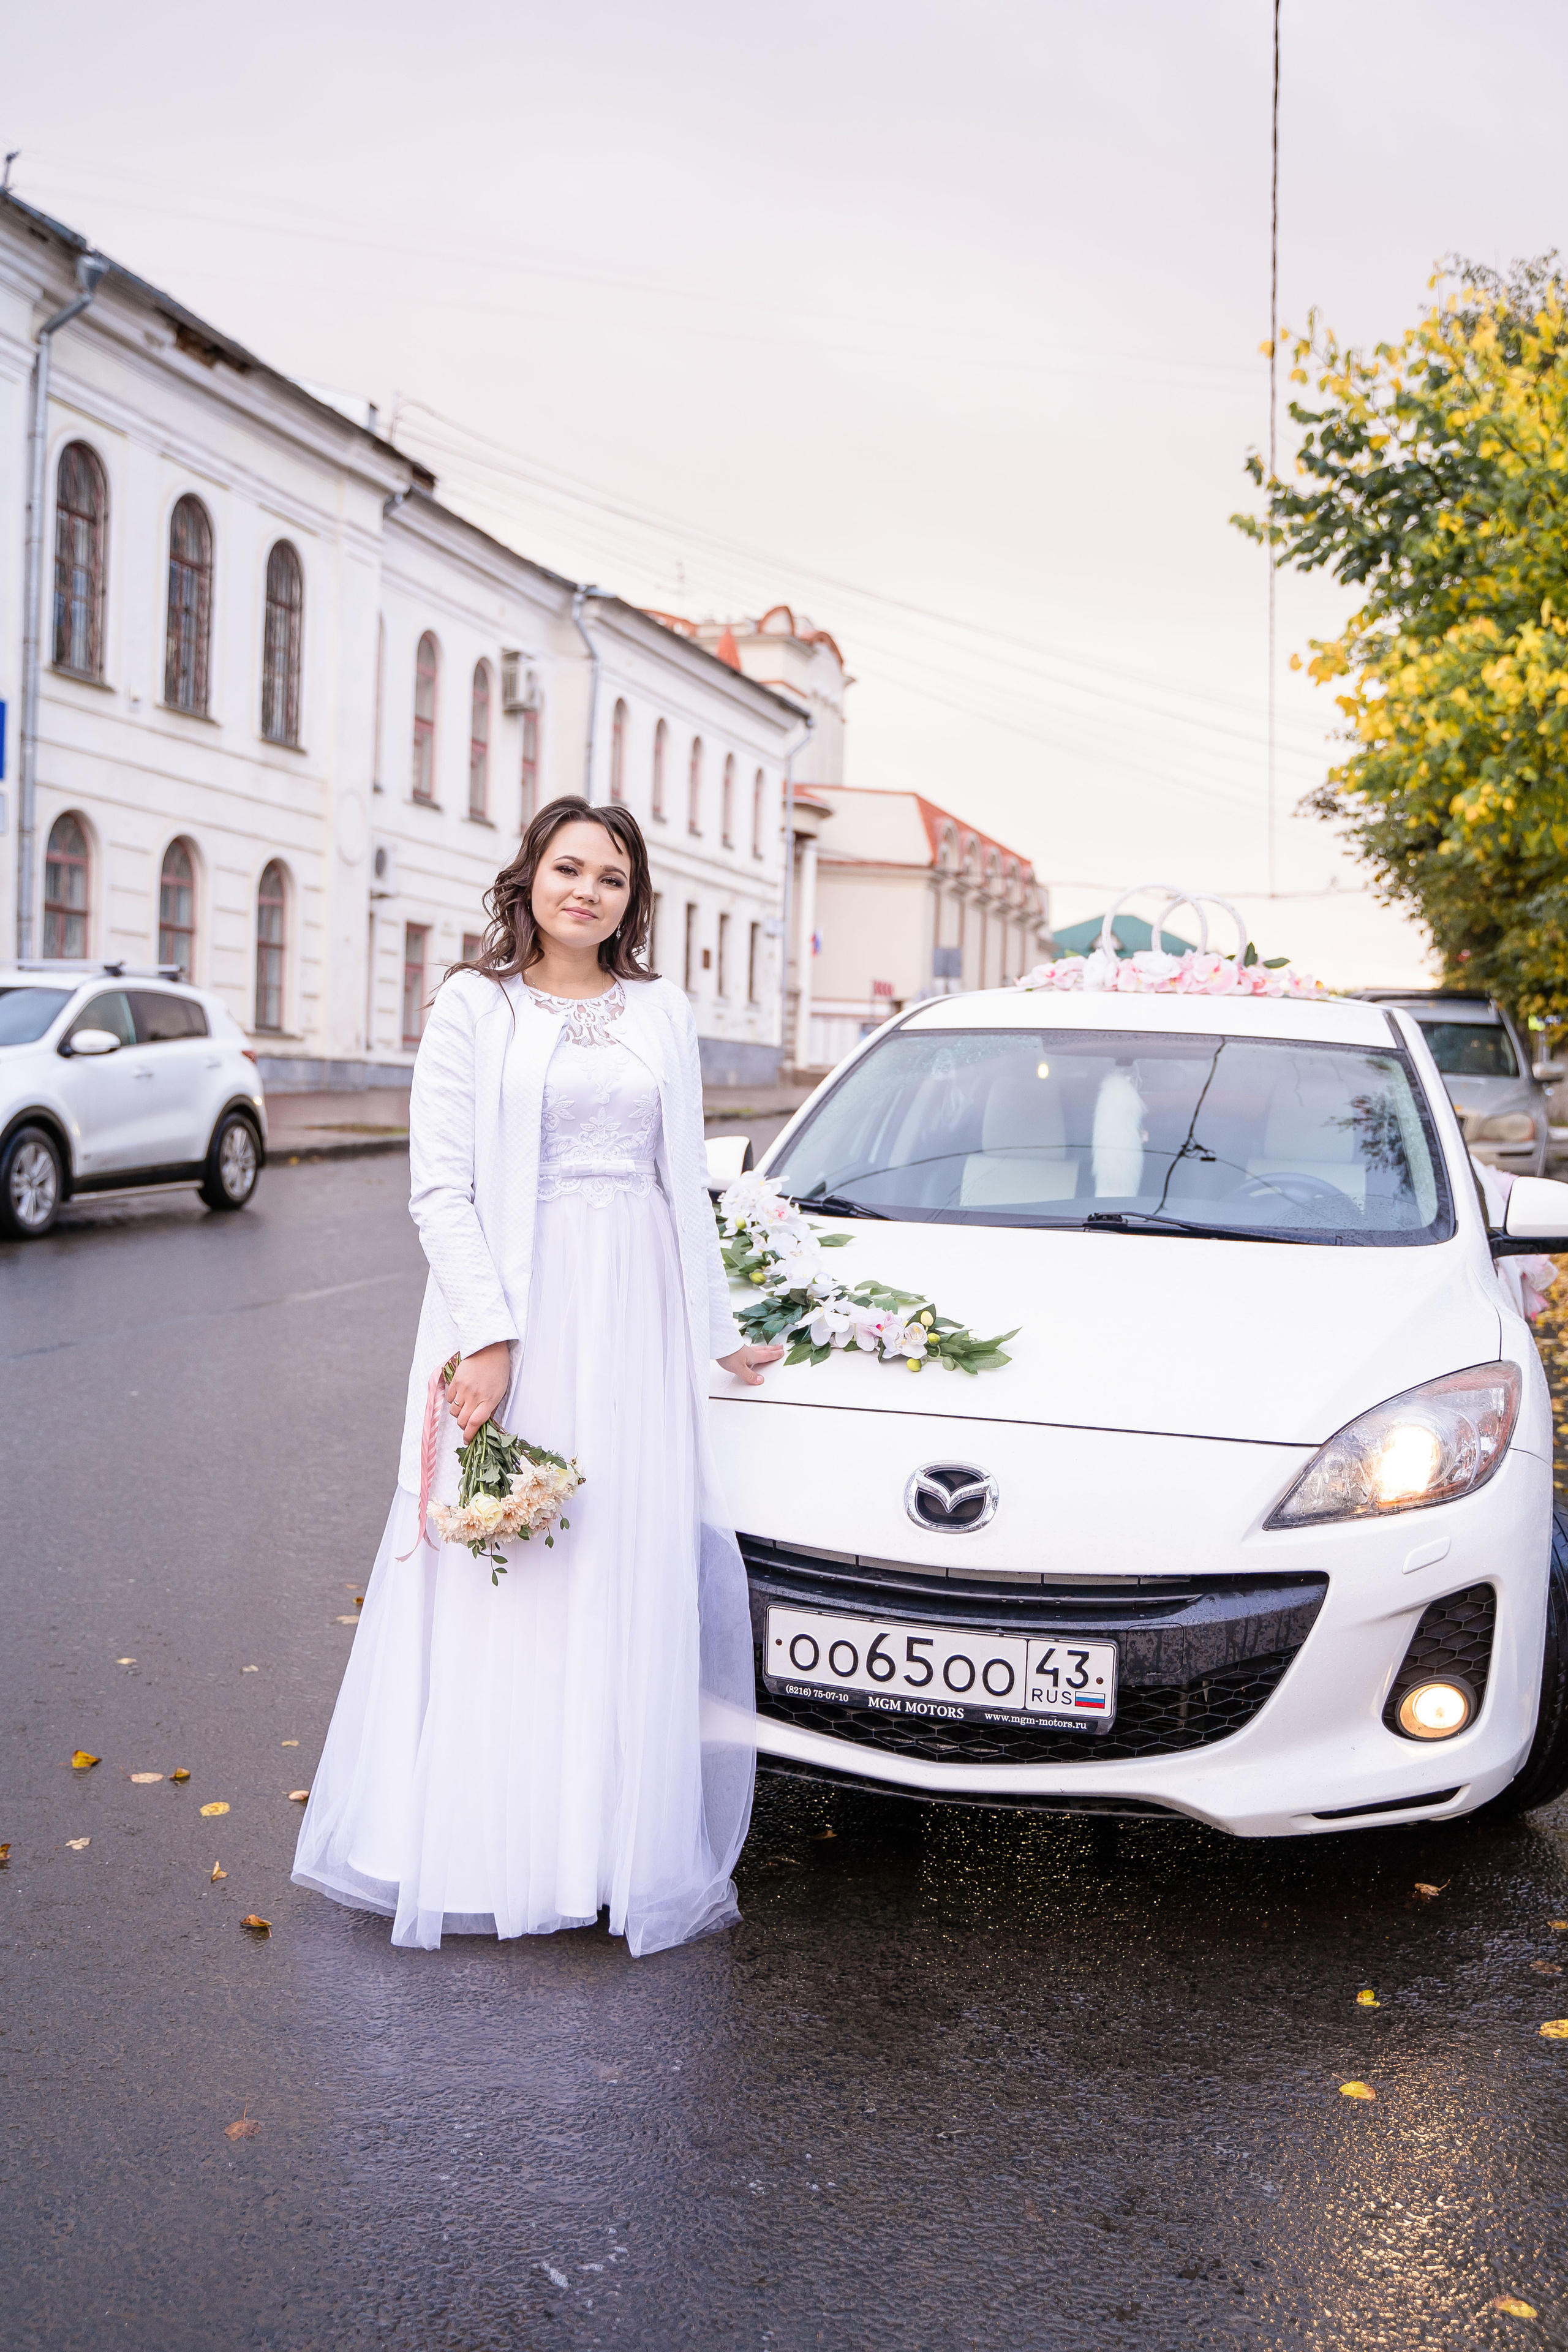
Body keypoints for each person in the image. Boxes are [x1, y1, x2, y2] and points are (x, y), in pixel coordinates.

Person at [293, 797, 782, 1954]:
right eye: (570, 869)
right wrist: (491, 1336)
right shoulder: (476, 1006)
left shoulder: (664, 1013)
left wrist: (716, 1330)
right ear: (529, 878)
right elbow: (439, 1188)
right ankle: (491, 1846)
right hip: (523, 1308)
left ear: (632, 900)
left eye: (612, 880)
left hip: (639, 1321)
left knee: (619, 1558)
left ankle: (609, 1845)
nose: (588, 893)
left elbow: (682, 1191)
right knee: (519, 1554)